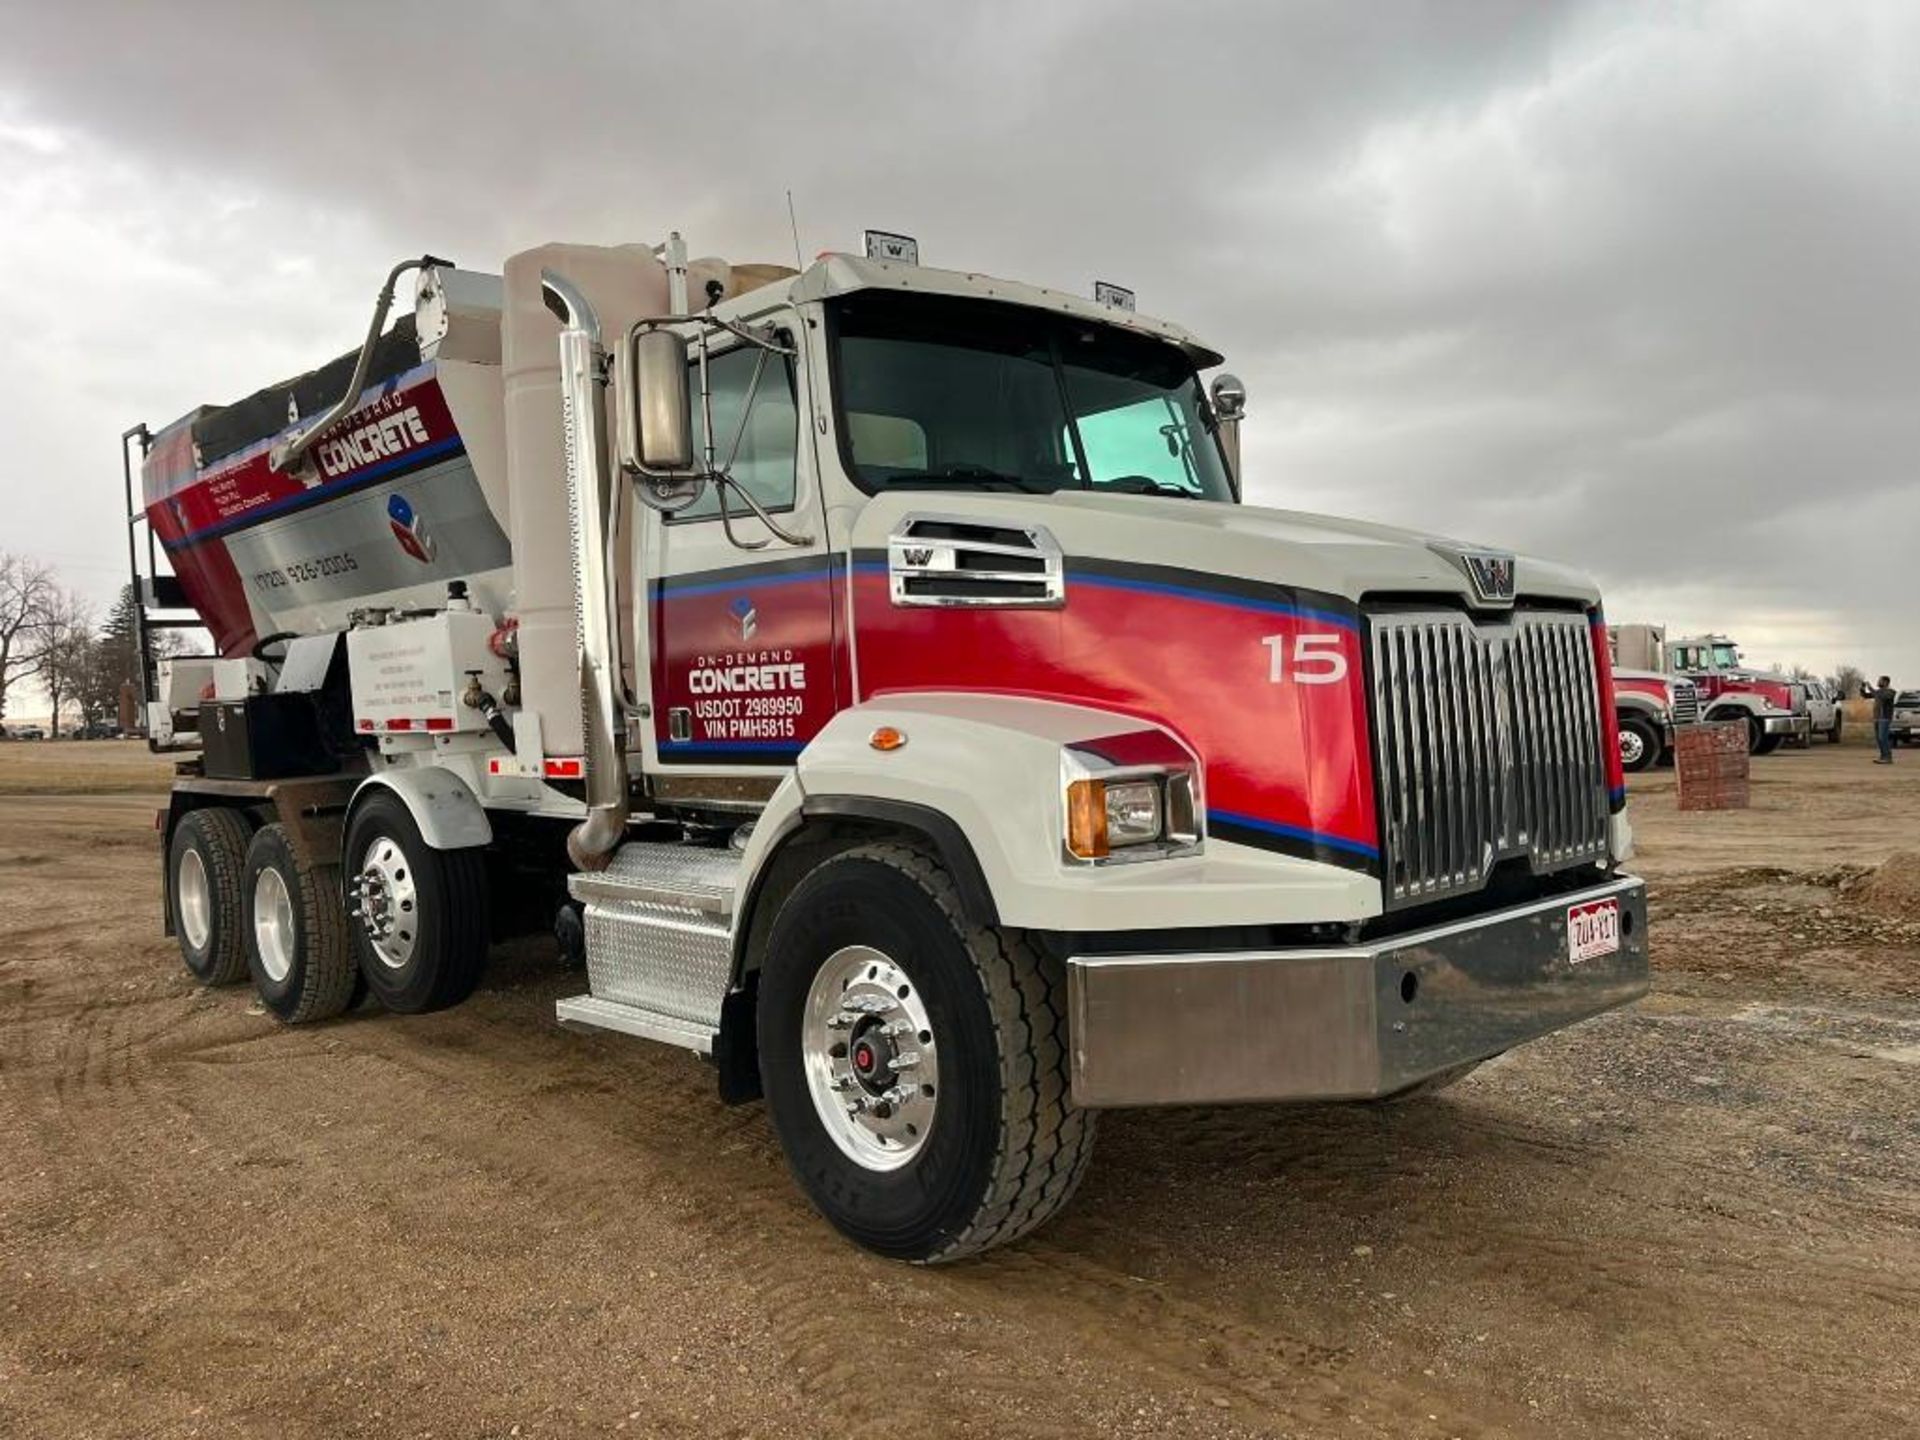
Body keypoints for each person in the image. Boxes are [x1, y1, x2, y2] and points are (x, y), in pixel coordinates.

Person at [1864, 676, 1896, 763]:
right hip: (1877, 718)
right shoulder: (1878, 692)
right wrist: (1862, 689)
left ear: (1885, 682)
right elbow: (1866, 696)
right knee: (1879, 739)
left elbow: (1881, 696)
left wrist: (1870, 687)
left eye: (1880, 681)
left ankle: (1888, 757)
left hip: (1885, 718)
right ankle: (1883, 756)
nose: (1878, 682)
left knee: (1883, 738)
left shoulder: (1891, 692)